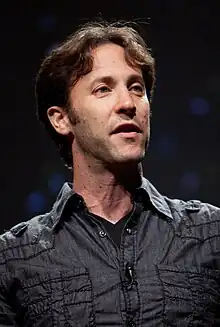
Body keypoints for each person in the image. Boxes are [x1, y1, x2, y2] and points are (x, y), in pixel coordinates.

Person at [0, 20, 220, 327]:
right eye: (103, 89)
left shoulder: (210, 235)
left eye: (136, 88)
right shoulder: (14, 259)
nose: (127, 104)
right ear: (61, 119)